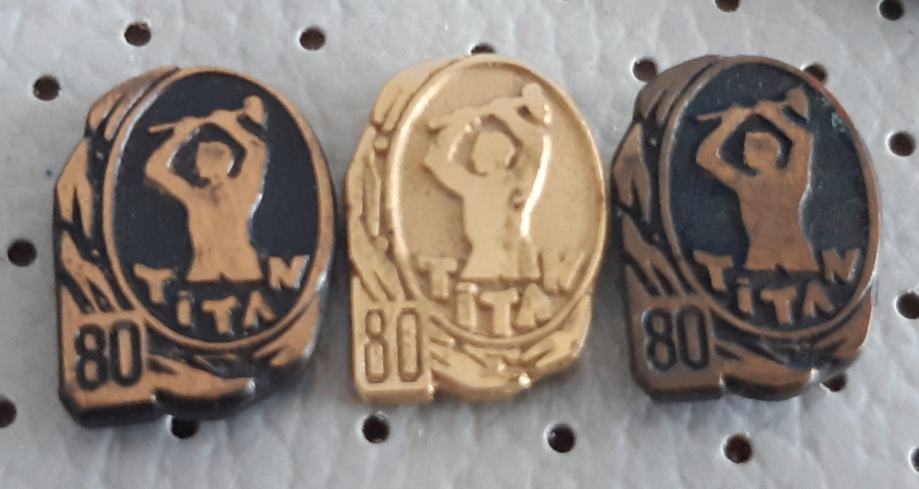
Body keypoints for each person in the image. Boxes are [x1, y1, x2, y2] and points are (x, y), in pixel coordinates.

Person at [423, 84, 550, 282]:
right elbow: (434, 161)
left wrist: (508, 116)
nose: (471, 158)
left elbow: (536, 143)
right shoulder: (476, 185)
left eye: (477, 152)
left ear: (493, 156)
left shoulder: (515, 184)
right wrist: (458, 125)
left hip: (514, 264)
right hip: (484, 263)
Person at [145, 96, 268, 283]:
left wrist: (229, 126)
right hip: (205, 267)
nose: (197, 163)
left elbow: (258, 151)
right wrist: (180, 134)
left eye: (200, 158)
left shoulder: (239, 189)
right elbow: (153, 171)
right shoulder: (197, 196)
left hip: (238, 267)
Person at [695, 88, 819, 273]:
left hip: (783, 254)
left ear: (767, 154)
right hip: (768, 256)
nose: (744, 156)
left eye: (748, 151)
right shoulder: (787, 179)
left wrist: (729, 124)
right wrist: (774, 118)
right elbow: (802, 140)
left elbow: (705, 158)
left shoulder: (749, 184)